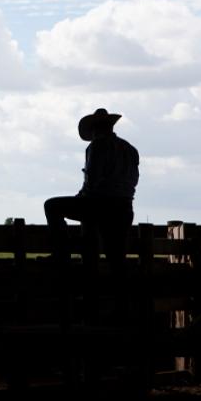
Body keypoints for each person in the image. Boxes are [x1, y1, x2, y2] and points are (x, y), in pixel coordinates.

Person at [44, 108, 139, 324]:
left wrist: (82, 199)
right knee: (117, 261)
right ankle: (123, 312)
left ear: (95, 130)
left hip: (99, 204)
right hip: (124, 207)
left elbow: (92, 182)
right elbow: (133, 180)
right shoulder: (130, 149)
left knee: (52, 206)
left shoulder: (97, 146)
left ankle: (62, 252)